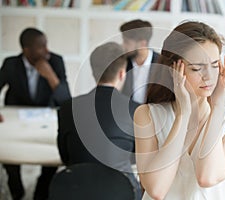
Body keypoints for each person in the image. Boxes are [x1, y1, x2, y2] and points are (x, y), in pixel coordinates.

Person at [134, 21, 225, 200]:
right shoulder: (147, 115)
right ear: (174, 70)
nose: (209, 76)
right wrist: (182, 115)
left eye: (215, 65)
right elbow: (156, 190)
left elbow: (207, 176)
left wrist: (218, 105)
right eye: (197, 68)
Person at [57, 42, 142, 199]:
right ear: (122, 73)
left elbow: (65, 156)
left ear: (93, 72)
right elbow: (138, 156)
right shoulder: (136, 109)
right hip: (121, 192)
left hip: (75, 191)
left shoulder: (68, 107)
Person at [0, 27, 71, 200]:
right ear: (26, 50)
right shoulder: (11, 64)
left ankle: (41, 192)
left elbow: (66, 100)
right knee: (9, 156)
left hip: (45, 118)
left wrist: (50, 76)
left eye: (46, 45)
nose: (46, 50)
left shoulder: (55, 61)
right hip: (16, 118)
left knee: (52, 158)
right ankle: (17, 191)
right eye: (41, 47)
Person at [120, 19, 160, 104]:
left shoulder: (162, 64)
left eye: (126, 42)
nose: (123, 45)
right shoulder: (121, 63)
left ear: (142, 44)